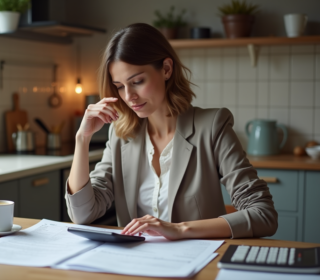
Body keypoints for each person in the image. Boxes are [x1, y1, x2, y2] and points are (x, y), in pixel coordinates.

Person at [66, 23, 278, 240]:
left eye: (137, 81)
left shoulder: (213, 126)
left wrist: (179, 229)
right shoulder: (121, 136)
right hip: (135, 265)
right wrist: (82, 139)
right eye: (119, 86)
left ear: (167, 69)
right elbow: (83, 214)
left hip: (199, 264)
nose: (128, 96)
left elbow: (263, 214)